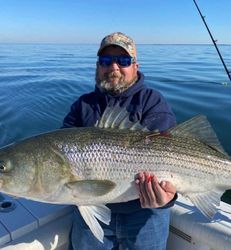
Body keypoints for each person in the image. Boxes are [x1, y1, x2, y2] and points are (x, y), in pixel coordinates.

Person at [62, 32, 177, 250]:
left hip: (145, 212)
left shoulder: (152, 101)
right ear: (98, 66)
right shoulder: (83, 105)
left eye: (123, 61)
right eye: (106, 61)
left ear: (136, 65)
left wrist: (167, 197)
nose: (113, 67)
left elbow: (174, 156)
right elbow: (60, 150)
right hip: (90, 209)